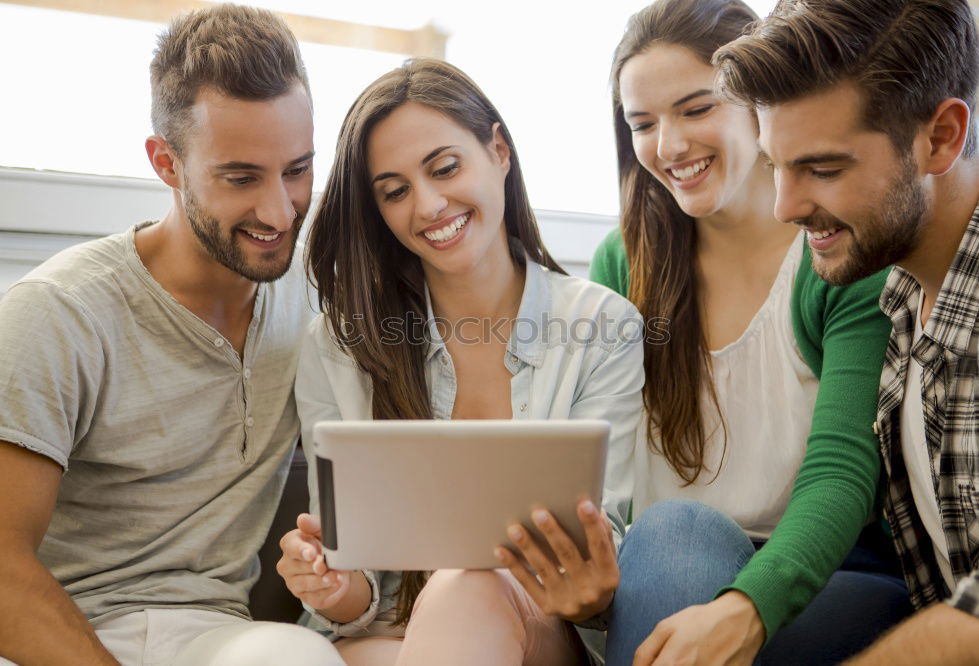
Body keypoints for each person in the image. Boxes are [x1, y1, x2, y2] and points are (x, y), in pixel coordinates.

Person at [0, 5, 345, 665]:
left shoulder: (314, 300)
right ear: (167, 162)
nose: (279, 210)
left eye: (297, 169)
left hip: (219, 634)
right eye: (241, 178)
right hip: (60, 635)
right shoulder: (59, 313)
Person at [275, 58, 644, 666]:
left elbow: (597, 559)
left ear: (499, 151)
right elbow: (355, 583)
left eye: (445, 168)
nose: (427, 206)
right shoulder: (338, 347)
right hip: (394, 643)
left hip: (538, 636)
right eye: (395, 192)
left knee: (467, 585)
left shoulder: (602, 328)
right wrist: (334, 586)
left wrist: (583, 581)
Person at [587, 1, 912, 664]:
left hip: (825, 576)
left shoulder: (837, 253)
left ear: (762, 103)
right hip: (661, 571)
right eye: (642, 123)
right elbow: (606, 469)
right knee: (677, 540)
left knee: (679, 543)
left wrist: (745, 609)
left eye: (697, 108)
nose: (669, 146)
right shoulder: (621, 262)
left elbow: (843, 474)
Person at [714, 0, 979, 663]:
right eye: (774, 166)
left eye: (823, 169)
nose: (786, 206)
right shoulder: (901, 292)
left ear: (942, 137)